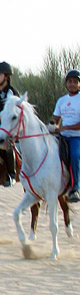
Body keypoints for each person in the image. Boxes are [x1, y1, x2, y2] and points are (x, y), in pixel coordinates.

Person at [51, 69, 80, 203]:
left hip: (76, 137)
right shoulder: (62, 100)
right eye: (69, 82)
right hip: (62, 136)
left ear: (79, 84)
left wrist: (65, 127)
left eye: (75, 82)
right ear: (66, 83)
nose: (72, 84)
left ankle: (75, 189)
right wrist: (53, 126)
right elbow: (56, 118)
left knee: (74, 156)